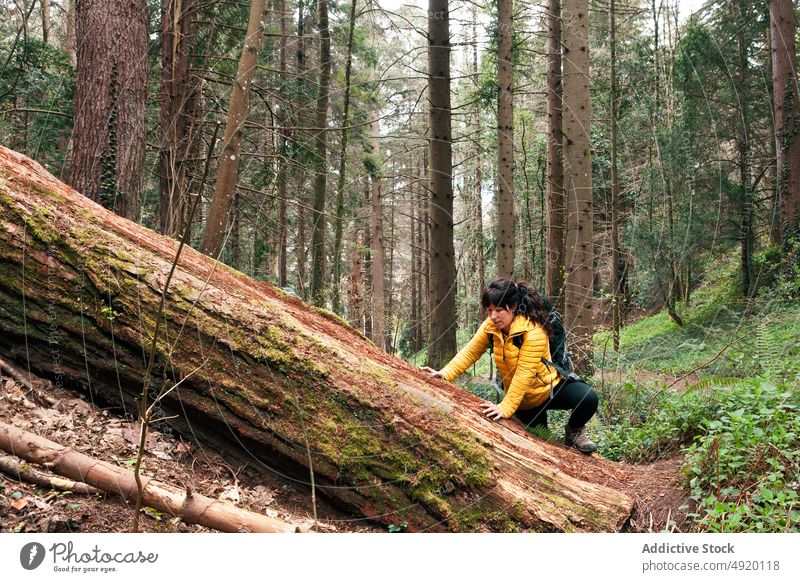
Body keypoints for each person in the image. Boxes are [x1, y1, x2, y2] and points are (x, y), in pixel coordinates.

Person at [421, 278, 599, 454]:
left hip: (548, 390)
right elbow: (470, 353)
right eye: (489, 310)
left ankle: (574, 431)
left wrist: (504, 408)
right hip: (523, 403)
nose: (493, 316)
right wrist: (444, 374)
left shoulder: (533, 331)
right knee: (544, 447)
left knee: (588, 398)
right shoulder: (490, 327)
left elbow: (524, 373)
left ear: (513, 307)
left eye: (499, 310)